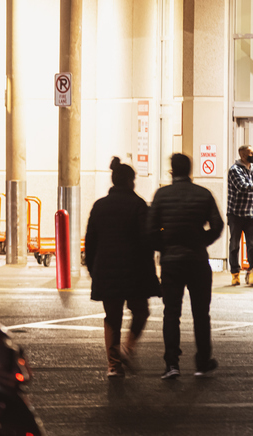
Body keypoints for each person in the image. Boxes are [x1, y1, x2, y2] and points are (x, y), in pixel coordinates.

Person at [148, 152, 224, 380]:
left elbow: (149, 230)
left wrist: (165, 247)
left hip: (171, 262)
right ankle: (202, 361)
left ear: (172, 170)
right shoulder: (203, 194)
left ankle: (172, 363)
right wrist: (203, 241)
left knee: (171, 313)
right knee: (201, 313)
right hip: (198, 261)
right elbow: (218, 224)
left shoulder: (161, 195)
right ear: (190, 170)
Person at [85, 157, 160, 377]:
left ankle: (113, 365)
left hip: (106, 270)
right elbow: (147, 241)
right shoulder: (138, 205)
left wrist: (93, 270)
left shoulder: (99, 206)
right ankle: (128, 347)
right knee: (141, 311)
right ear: (129, 181)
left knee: (112, 317)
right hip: (134, 271)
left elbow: (90, 242)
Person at [227, 145, 253, 287]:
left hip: (251, 212)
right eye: (250, 153)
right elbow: (242, 186)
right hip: (236, 212)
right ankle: (235, 274)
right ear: (242, 155)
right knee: (234, 244)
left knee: (252, 244)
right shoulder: (234, 170)